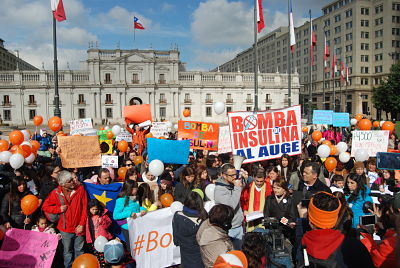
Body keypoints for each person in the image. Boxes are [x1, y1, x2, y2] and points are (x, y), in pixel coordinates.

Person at [297, 191, 374, 267]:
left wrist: (301, 221)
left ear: (310, 221)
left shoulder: (303, 245)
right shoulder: (353, 246)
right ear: (335, 218)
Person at [42, 170, 88, 268]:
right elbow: (45, 206)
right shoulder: (56, 193)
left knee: (79, 251)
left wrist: (82, 224)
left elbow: (84, 208)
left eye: (72, 179)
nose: (73, 182)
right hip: (65, 229)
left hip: (79, 227)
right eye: (69, 181)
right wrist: (58, 209)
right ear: (62, 184)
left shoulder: (80, 189)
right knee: (67, 252)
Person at [172, 191, 208, 268]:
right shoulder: (202, 220)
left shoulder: (177, 215)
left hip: (185, 258)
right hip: (199, 259)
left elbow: (176, 241)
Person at [214, 164, 244, 249]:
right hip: (230, 228)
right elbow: (231, 206)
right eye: (232, 175)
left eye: (235, 174)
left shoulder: (232, 184)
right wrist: (237, 188)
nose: (235, 177)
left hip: (238, 225)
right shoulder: (219, 190)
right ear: (224, 175)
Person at [113, 180, 146, 254]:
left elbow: (137, 208)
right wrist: (129, 213)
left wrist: (143, 209)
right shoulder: (121, 200)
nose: (137, 189)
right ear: (129, 189)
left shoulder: (136, 197)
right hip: (127, 227)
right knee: (131, 247)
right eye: (135, 188)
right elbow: (115, 216)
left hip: (137, 225)